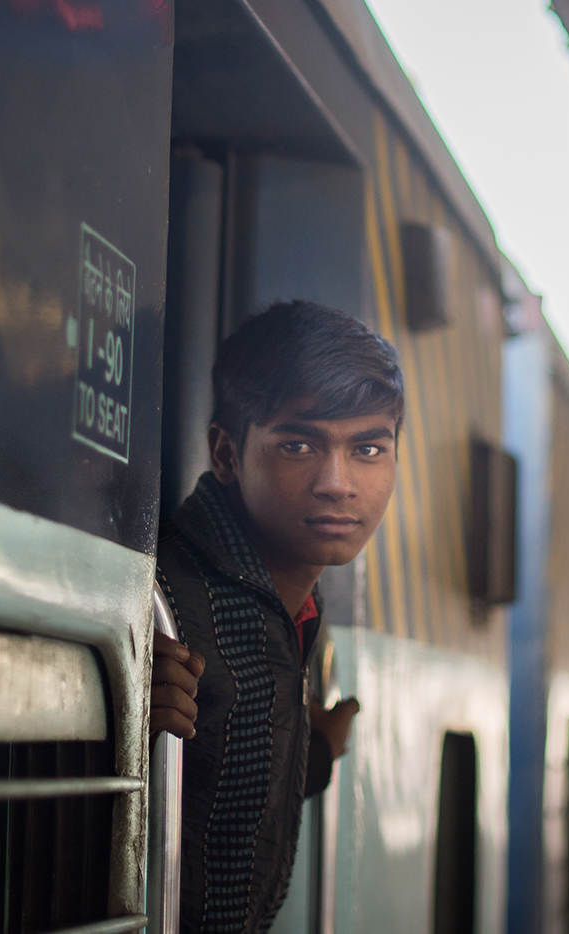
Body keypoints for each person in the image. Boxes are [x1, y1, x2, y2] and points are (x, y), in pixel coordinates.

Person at [151, 300, 402, 934]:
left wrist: (315, 749)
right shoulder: (164, 605)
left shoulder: (290, 617)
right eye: (299, 444)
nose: (338, 483)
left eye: (368, 449)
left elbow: (228, 786)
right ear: (227, 455)